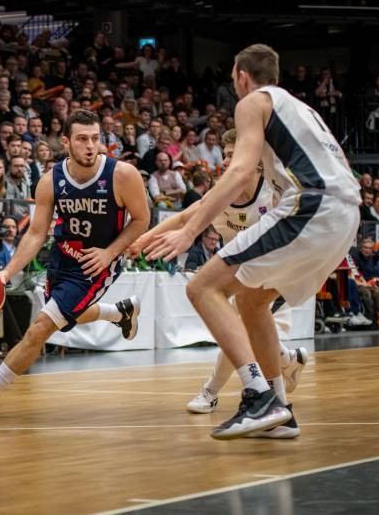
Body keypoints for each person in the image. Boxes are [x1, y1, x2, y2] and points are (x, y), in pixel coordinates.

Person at [134, 44, 360, 440]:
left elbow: (238, 172)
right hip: (346, 216)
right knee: (252, 301)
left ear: (242, 76)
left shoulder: (253, 101)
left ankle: (257, 395)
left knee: (202, 287)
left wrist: (188, 232)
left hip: (313, 205)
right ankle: (279, 410)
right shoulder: (301, 108)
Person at [0, 109, 150, 419]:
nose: (90, 146)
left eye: (95, 139)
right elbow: (36, 233)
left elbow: (141, 219)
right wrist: (6, 273)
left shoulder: (122, 174)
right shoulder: (50, 180)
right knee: (66, 316)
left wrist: (109, 253)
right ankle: (119, 312)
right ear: (66, 142)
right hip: (61, 259)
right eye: (82, 139)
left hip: (95, 266)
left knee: (40, 328)